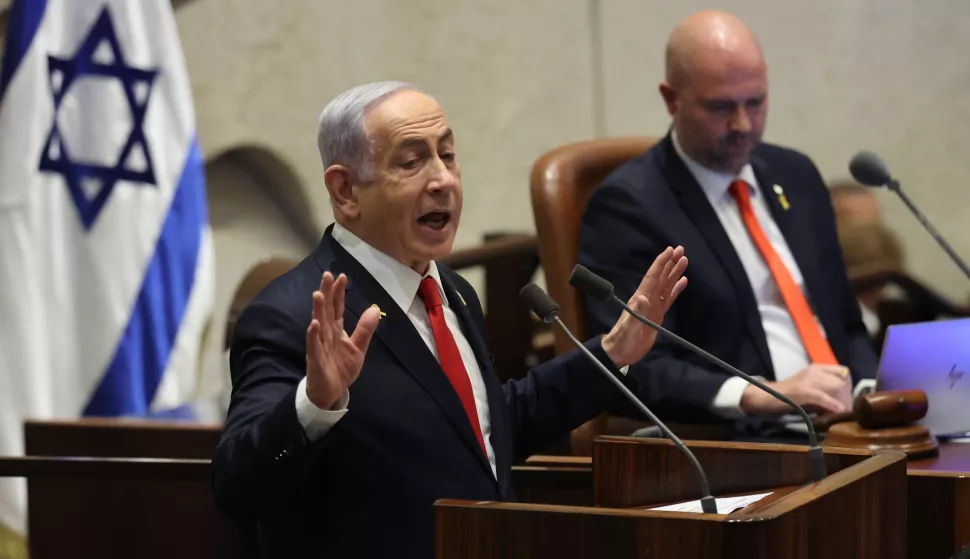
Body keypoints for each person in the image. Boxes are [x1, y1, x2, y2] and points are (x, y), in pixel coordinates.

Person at [211, 81, 690, 558]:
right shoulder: (291, 314)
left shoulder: (450, 289)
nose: (443, 180)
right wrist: (313, 406)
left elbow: (483, 429)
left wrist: (613, 353)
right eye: (412, 161)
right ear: (346, 190)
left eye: (448, 155)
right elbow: (237, 485)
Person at [578, 11, 877, 439]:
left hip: (851, 426)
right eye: (720, 107)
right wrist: (759, 394)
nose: (742, 124)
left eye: (755, 103)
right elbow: (637, 364)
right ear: (671, 98)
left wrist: (869, 391)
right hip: (750, 441)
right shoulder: (630, 206)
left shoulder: (796, 175)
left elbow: (846, 323)